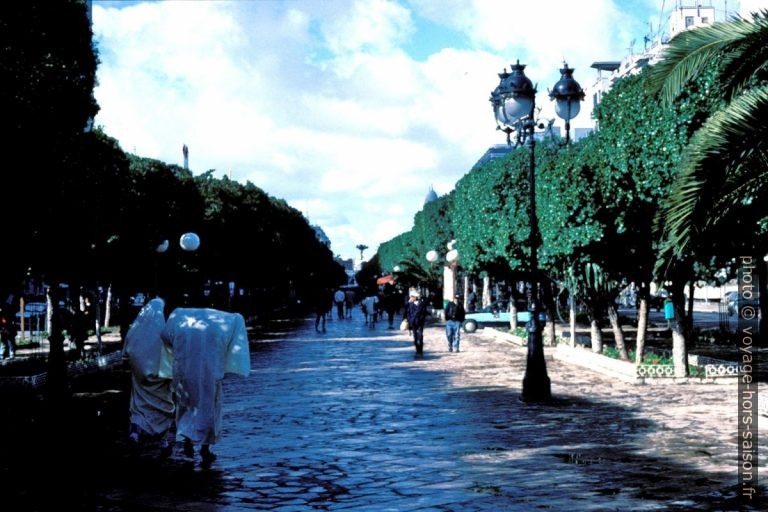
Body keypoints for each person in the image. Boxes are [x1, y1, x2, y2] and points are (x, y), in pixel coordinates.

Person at [161, 304, 251, 465]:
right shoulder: (218, 323)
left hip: (185, 370)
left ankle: (187, 439)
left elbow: (165, 336)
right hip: (209, 373)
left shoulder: (181, 320)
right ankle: (205, 448)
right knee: (209, 408)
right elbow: (234, 325)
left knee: (186, 404)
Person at [122, 297, 175, 457]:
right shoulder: (165, 332)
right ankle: (163, 442)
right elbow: (171, 354)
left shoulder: (134, 330)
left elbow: (126, 354)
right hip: (160, 379)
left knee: (140, 407)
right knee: (163, 408)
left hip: (139, 379)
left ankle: (135, 433)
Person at [405, 289, 428, 355]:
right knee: (415, 337)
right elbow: (408, 313)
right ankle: (417, 349)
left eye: (412, 296)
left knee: (420, 336)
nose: (411, 298)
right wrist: (409, 320)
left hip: (420, 323)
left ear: (415, 297)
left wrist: (421, 319)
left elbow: (424, 313)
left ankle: (420, 348)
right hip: (413, 323)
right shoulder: (410, 304)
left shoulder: (421, 304)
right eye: (411, 296)